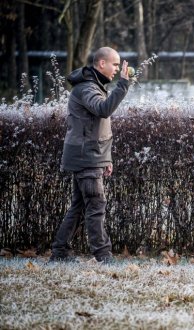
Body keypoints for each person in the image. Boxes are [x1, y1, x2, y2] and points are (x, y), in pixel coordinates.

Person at [50, 47, 130, 263]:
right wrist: (123, 85)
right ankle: (103, 255)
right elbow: (104, 110)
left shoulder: (93, 86)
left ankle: (59, 253)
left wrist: (107, 159)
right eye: (115, 64)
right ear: (101, 64)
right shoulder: (87, 89)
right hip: (86, 158)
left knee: (79, 206)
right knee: (96, 204)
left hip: (90, 156)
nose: (117, 69)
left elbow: (99, 128)